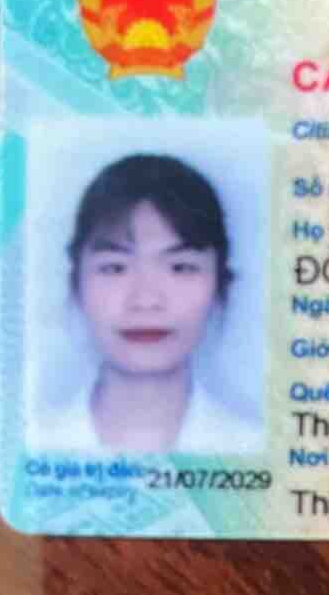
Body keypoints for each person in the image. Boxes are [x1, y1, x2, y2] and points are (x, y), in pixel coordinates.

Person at [35, 153, 263, 453]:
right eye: (115, 268)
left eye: (180, 267)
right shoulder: (34, 444)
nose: (145, 301)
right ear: (76, 284)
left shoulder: (253, 448)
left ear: (220, 285)